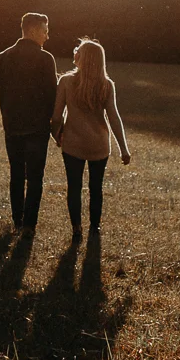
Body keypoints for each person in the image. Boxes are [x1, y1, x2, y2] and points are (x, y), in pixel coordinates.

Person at [0, 12, 60, 231]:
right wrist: (57, 127)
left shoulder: (4, 57)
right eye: (45, 31)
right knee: (35, 178)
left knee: (17, 175)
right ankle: (29, 226)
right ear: (33, 31)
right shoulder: (45, 59)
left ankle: (18, 221)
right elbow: (53, 97)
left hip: (13, 128)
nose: (47, 36)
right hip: (38, 130)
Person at [49, 38, 131, 235]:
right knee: (96, 188)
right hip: (99, 145)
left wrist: (56, 136)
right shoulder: (107, 85)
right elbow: (114, 117)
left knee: (74, 187)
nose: (75, 53)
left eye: (78, 51)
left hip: (73, 144)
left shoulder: (66, 81)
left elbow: (56, 116)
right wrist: (123, 149)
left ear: (83, 57)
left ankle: (76, 227)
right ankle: (95, 227)